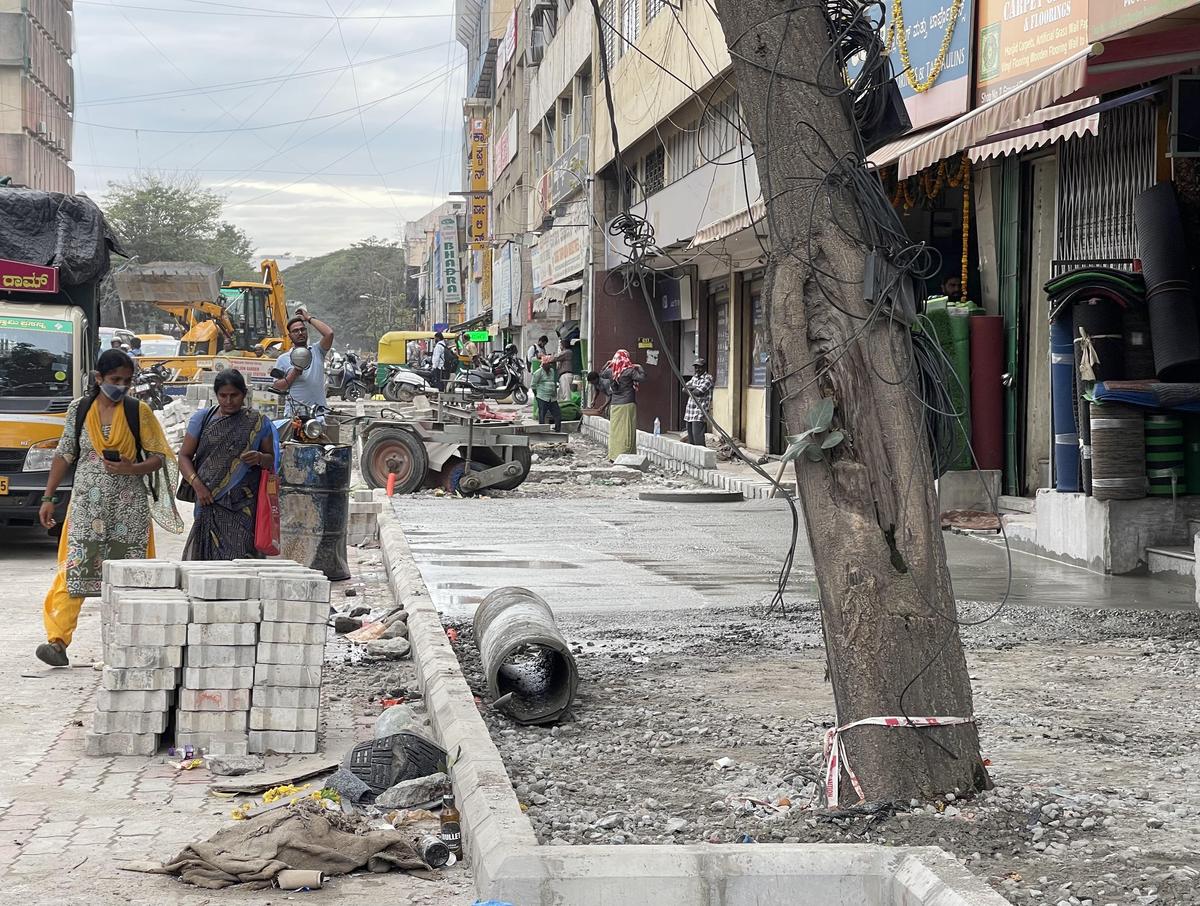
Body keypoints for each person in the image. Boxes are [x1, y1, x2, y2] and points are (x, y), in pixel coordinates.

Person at [35, 349, 183, 667]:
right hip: (87, 508)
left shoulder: (138, 412)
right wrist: (48, 497)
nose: (121, 386)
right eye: (115, 379)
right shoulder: (80, 409)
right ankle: (57, 641)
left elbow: (160, 457)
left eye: (127, 381)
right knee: (74, 570)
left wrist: (133, 469)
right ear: (99, 378)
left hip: (129, 511)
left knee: (130, 576)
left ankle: (127, 644)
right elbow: (64, 454)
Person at [178, 370, 278, 561]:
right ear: (216, 395)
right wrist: (198, 486)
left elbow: (270, 460)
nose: (229, 401)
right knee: (206, 559)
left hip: (243, 504)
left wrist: (258, 457)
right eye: (223, 396)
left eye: (234, 395)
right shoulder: (202, 419)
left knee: (241, 558)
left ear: (244, 394)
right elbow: (184, 456)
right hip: (208, 499)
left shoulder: (258, 422)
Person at [273, 309, 335, 414]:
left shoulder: (317, 351)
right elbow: (278, 387)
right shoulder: (283, 359)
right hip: (295, 414)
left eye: (302, 329)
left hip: (319, 413)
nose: (300, 333)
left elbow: (329, 334)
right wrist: (294, 373)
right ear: (290, 336)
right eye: (295, 331)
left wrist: (309, 318)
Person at [600, 349, 645, 460]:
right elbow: (642, 378)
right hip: (627, 404)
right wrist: (640, 368)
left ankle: (614, 455)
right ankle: (626, 454)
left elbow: (601, 373)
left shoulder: (610, 371)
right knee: (627, 430)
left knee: (615, 431)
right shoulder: (630, 371)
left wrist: (607, 363)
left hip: (615, 405)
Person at [683, 358, 714, 446]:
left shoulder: (708, 378)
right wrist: (694, 388)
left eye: (699, 367)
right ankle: (693, 459)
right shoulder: (694, 377)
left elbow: (698, 392)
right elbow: (684, 388)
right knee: (691, 438)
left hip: (700, 411)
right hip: (690, 411)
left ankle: (702, 459)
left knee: (698, 437)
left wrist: (692, 388)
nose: (697, 369)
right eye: (696, 367)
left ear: (704, 367)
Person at [532, 355, 562, 432]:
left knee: (557, 413)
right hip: (542, 397)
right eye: (548, 363)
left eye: (550, 364)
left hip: (552, 397)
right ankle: (542, 430)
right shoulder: (538, 373)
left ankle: (557, 428)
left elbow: (553, 382)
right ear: (544, 364)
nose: (550, 365)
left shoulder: (552, 371)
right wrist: (537, 396)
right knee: (542, 414)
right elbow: (533, 386)